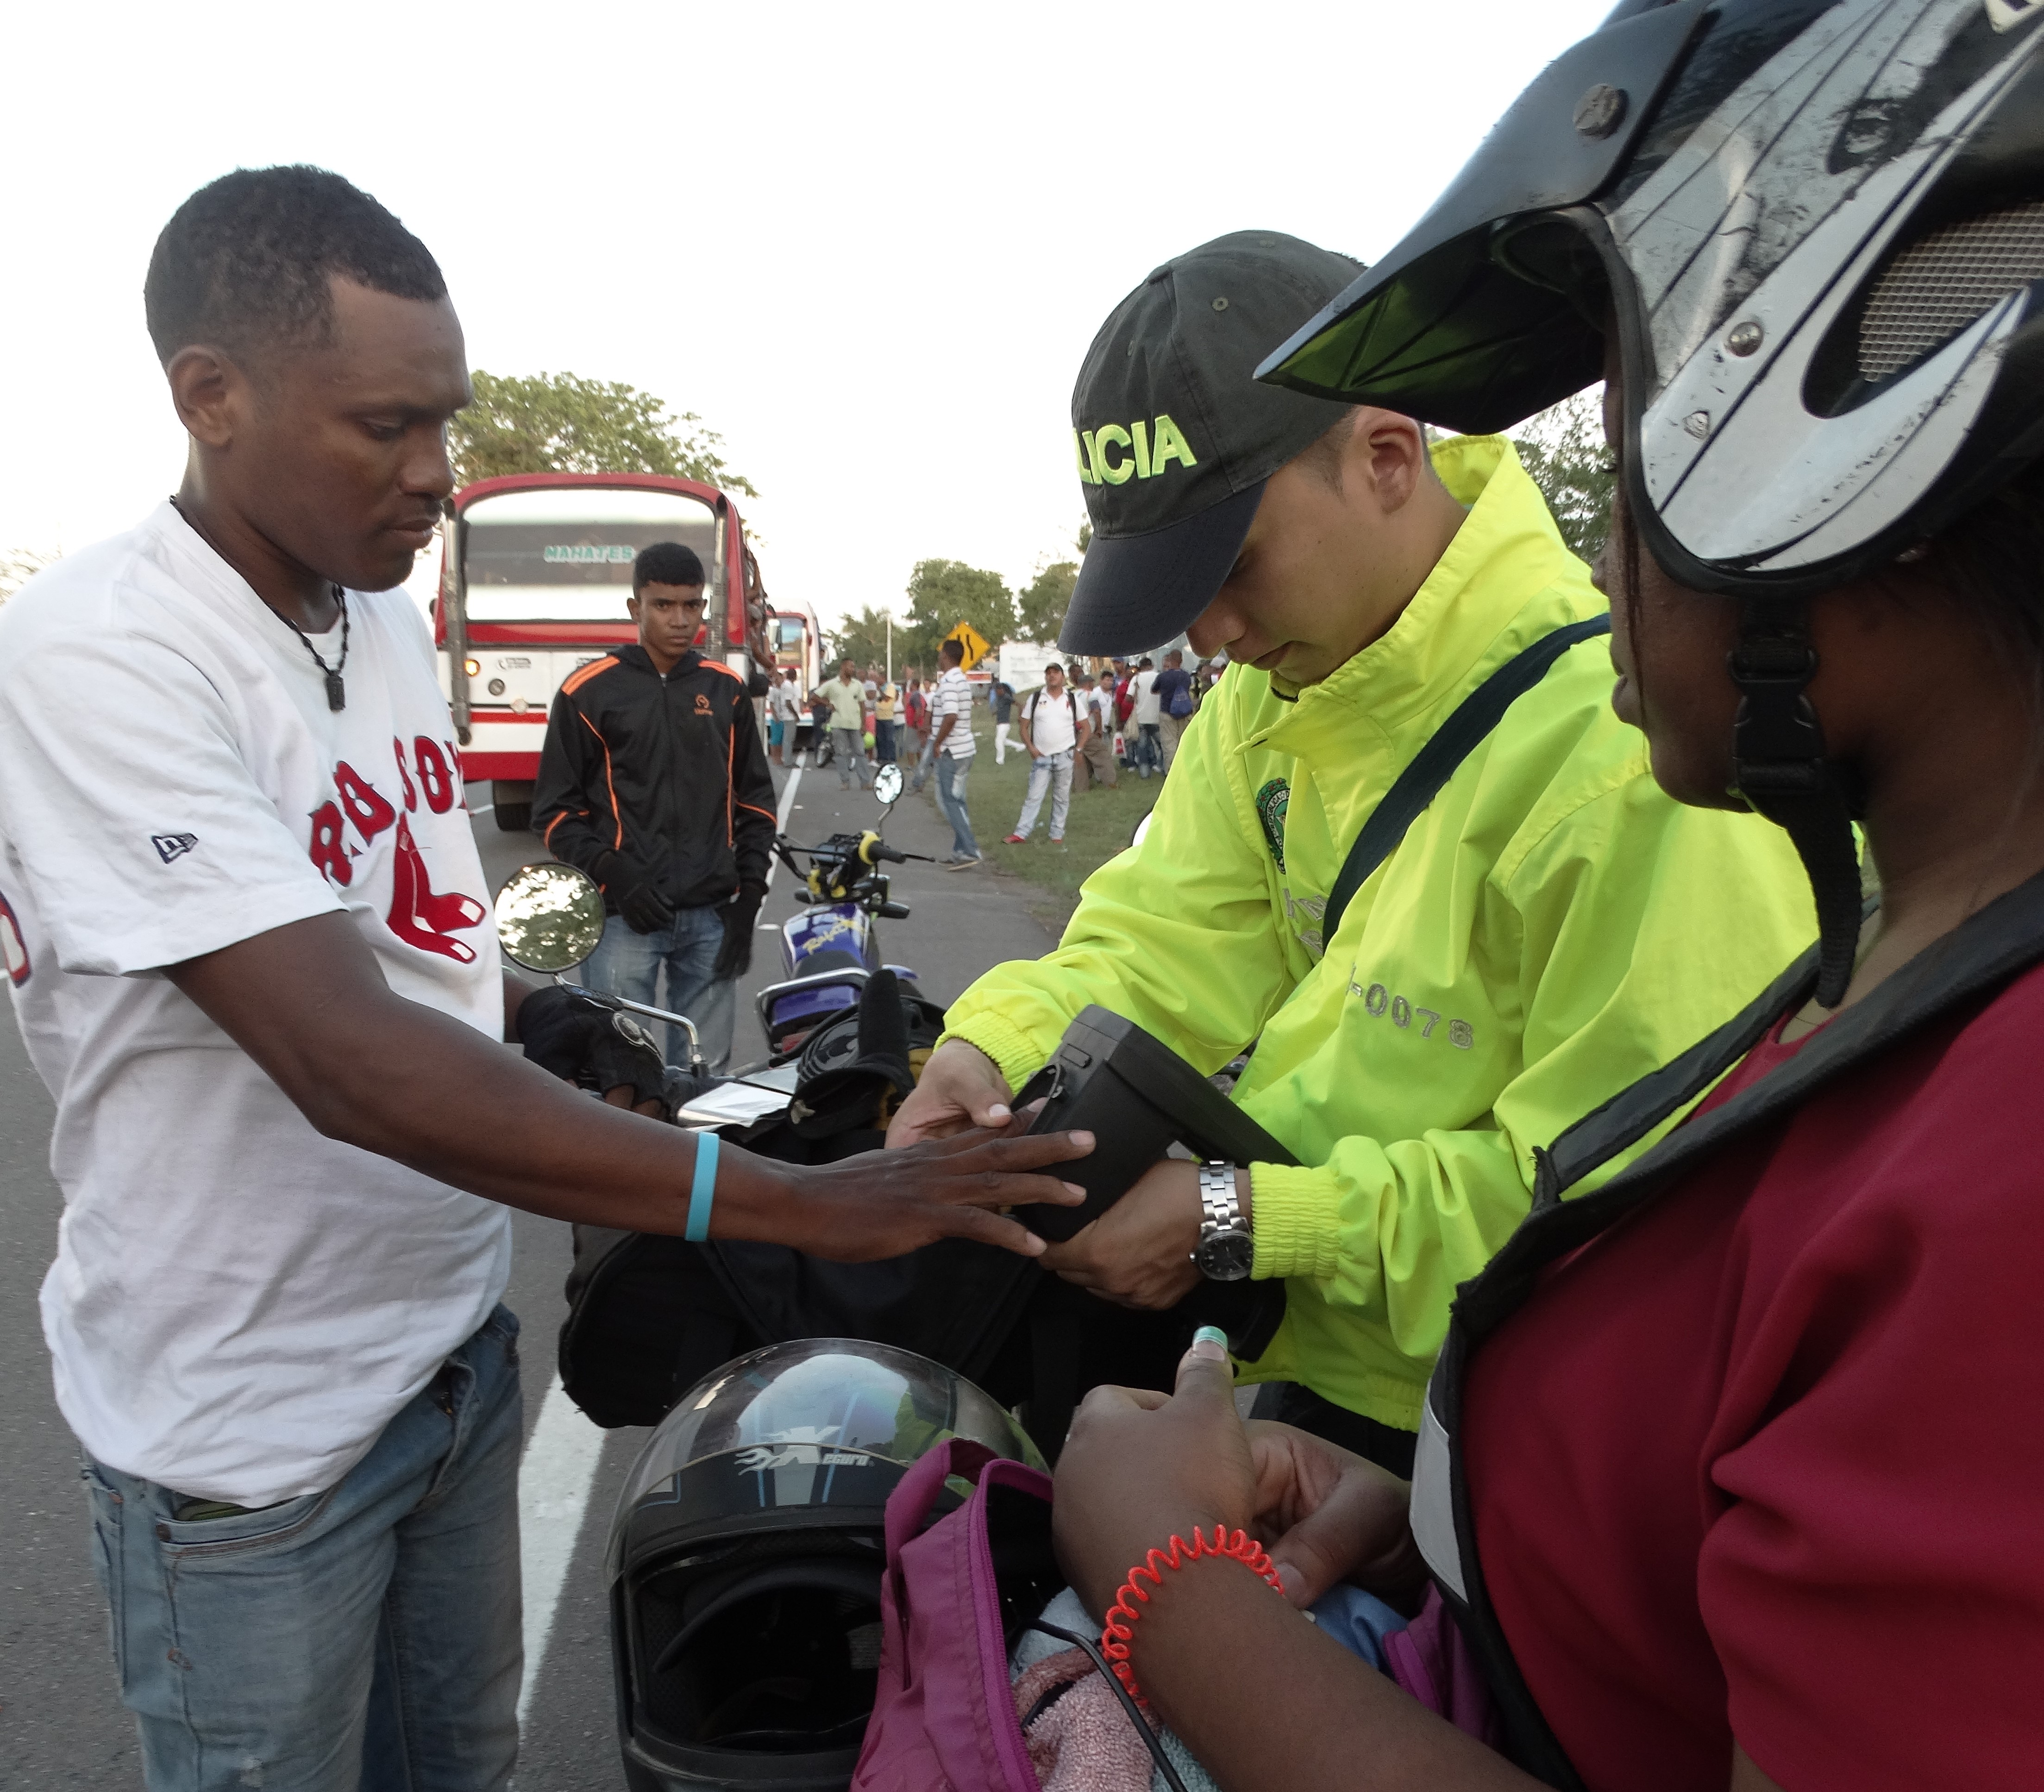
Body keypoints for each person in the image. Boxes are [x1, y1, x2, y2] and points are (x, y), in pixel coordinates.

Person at [0, 166, 1090, 1792]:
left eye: (444, 419)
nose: (436, 474)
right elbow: (353, 1058)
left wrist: (558, 1007)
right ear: (210, 396)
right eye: (386, 424)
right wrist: (807, 1204)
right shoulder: (102, 654)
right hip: (250, 1445)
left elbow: (438, 920)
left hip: (446, 1362)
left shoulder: (372, 616)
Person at [1053, 8, 2044, 1786]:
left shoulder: (1998, 1170)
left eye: (1642, 421)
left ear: (1828, 469)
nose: (1598, 542)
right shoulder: (1926, 1008)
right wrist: (1457, 1505)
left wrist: (1158, 1579)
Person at [890, 226, 1814, 1472]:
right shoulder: (1263, 700)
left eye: (1231, 563)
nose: (1209, 630)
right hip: (1288, 1367)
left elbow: (1627, 1206)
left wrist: (1246, 1217)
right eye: (1169, 586)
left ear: (1385, 455)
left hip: (1503, 1429)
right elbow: (1161, 940)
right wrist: (985, 1044)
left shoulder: (1630, 753)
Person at [532, 541, 771, 1074]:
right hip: (622, 919)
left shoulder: (725, 689)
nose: (680, 619)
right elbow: (553, 813)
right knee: (622, 1072)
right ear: (635, 608)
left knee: (705, 1080)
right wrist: (614, 873)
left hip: (712, 915)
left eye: (691, 606)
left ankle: (701, 1159)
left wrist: (749, 898)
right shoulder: (587, 692)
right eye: (663, 605)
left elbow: (755, 803)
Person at [1003, 661, 1088, 846]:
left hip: (1065, 755)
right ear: (1045, 677)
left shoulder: (1072, 699)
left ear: (1063, 677)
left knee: (1062, 797)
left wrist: (1079, 749)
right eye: (1049, 673)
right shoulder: (1036, 699)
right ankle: (1021, 833)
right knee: (1034, 796)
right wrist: (1032, 748)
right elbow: (1024, 727)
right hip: (1042, 756)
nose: (1052, 676)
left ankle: (1057, 834)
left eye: (1056, 673)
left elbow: (1086, 728)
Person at [928, 637, 980, 869]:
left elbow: (951, 715)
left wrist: (938, 743)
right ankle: (961, 850)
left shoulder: (949, 682)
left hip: (952, 750)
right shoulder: (962, 680)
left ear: (946, 657)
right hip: (965, 747)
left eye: (941, 655)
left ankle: (970, 849)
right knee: (958, 800)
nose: (939, 659)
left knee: (948, 801)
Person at [821, 656, 872, 791]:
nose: (853, 669)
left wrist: (863, 724)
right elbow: (815, 696)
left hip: (855, 724)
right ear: (843, 667)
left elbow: (863, 705)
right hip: (838, 724)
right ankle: (845, 782)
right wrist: (828, 704)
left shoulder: (858, 685)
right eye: (851, 667)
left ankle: (865, 782)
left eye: (854, 667)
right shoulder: (832, 684)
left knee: (860, 753)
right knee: (841, 754)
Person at [1072, 670, 1118, 793]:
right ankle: (1110, 782)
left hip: (1074, 733)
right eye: (1092, 683)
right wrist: (1099, 729)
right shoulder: (1090, 695)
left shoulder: (1072, 695)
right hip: (1088, 732)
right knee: (1103, 755)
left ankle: (1081, 788)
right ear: (1088, 683)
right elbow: (1097, 711)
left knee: (1080, 760)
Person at [1152, 647, 1194, 772]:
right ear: (1181, 660)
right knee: (1183, 741)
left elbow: (1154, 690)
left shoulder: (1163, 676)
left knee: (1169, 744)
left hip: (1167, 712)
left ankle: (1172, 771)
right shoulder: (1186, 676)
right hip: (1185, 712)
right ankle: (1185, 768)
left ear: (1170, 660)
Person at [873, 670, 899, 763]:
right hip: (879, 717)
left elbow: (887, 698)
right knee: (880, 739)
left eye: (878, 679)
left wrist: (880, 689)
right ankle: (882, 758)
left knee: (889, 739)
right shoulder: (877, 688)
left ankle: (891, 758)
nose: (877, 680)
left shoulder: (890, 687)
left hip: (888, 718)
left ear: (883, 678)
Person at [991, 678, 1016, 763]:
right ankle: (1020, 746)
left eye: (996, 691)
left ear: (1000, 690)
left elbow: (1017, 704)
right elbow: (1001, 708)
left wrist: (1021, 715)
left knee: (998, 742)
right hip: (999, 723)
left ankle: (1000, 760)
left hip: (1005, 724)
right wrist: (995, 712)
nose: (995, 693)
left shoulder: (1006, 697)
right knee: (1003, 741)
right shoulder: (999, 698)